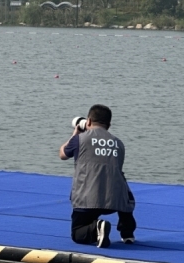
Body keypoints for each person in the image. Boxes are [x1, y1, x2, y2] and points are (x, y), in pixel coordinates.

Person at [58, 104, 136, 248]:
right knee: (122, 186)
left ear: (88, 122)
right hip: (115, 201)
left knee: (77, 233)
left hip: (87, 200)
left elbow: (62, 154)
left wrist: (75, 134)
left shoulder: (80, 139)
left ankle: (97, 228)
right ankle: (128, 233)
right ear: (109, 125)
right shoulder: (119, 143)